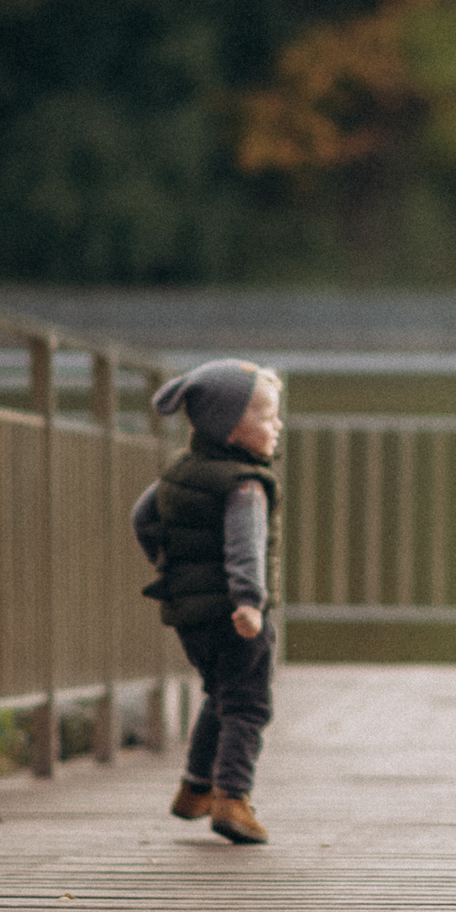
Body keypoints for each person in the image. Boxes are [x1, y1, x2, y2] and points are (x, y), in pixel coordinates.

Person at [133, 359, 284, 845]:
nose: (277, 426)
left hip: (191, 615)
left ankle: (195, 788)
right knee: (247, 704)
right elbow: (246, 549)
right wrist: (249, 602)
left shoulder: (181, 470)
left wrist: (171, 564)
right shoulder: (245, 484)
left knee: (219, 694)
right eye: (268, 418)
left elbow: (143, 517)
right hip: (236, 614)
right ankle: (232, 799)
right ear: (231, 428)